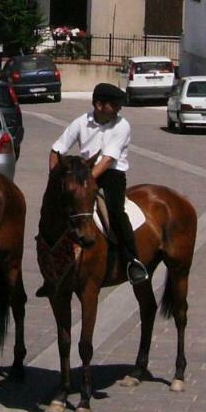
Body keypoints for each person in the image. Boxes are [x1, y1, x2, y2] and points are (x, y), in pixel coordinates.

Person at [47, 82, 148, 287]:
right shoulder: (80, 122)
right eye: (115, 104)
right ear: (99, 105)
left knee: (115, 211)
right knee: (57, 208)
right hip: (83, 173)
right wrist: (55, 178)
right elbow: (57, 149)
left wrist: (84, 182)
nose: (119, 108)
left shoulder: (122, 125)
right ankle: (50, 265)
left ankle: (132, 261)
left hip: (111, 175)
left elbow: (107, 160)